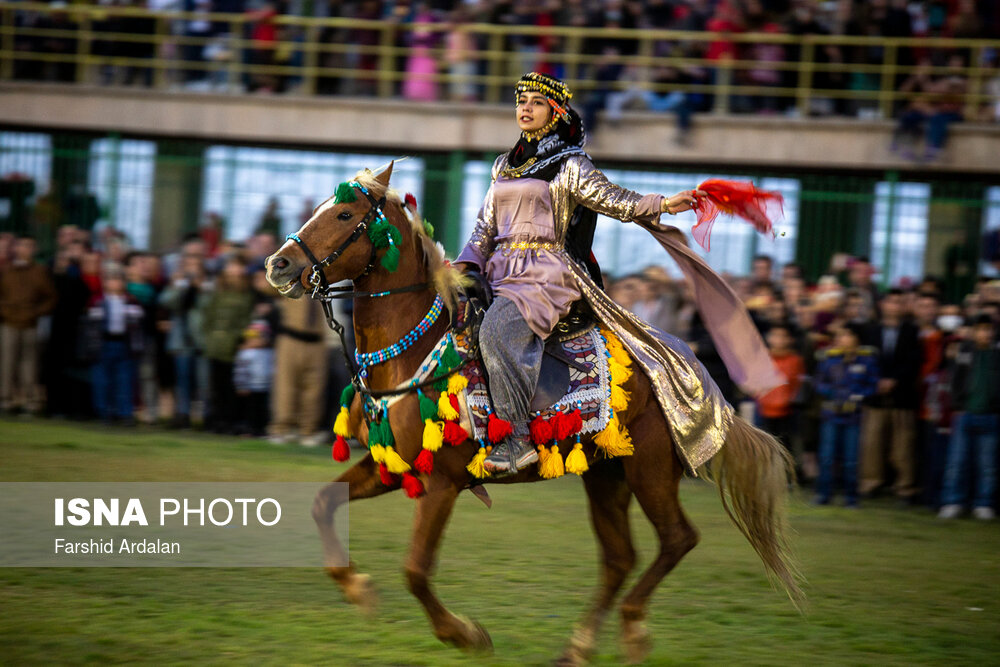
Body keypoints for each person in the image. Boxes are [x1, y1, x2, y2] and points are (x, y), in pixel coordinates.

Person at [454, 72, 782, 475]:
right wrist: (464, 266)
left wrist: (663, 203)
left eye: (537, 103)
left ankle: (517, 439)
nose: (525, 108)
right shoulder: (504, 164)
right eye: (521, 101)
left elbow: (613, 199)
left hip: (546, 275)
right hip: (500, 269)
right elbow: (485, 227)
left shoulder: (570, 165)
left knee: (497, 331)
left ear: (555, 114)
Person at [859, 289, 923, 503]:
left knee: (903, 446)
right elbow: (865, 358)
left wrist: (894, 380)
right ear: (883, 305)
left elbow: (914, 361)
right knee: (872, 444)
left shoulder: (912, 332)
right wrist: (875, 380)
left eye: (899, 302)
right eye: (891, 302)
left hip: (902, 397)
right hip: (875, 396)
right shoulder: (871, 330)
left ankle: (904, 489)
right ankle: (870, 484)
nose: (894, 306)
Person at [938, 314, 1000, 520]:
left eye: (988, 329)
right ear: (973, 331)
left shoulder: (996, 354)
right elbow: (955, 379)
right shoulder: (965, 351)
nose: (985, 333)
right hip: (965, 413)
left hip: (991, 415)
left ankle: (983, 504)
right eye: (981, 329)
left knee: (987, 464)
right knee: (957, 461)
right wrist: (957, 405)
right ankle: (953, 501)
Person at [814, 323, 880, 507]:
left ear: (856, 338)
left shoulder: (867, 361)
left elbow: (873, 386)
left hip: (854, 417)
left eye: (845, 335)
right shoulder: (829, 359)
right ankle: (823, 495)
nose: (840, 339)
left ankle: (851, 498)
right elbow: (818, 383)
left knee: (851, 459)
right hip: (831, 415)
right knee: (827, 457)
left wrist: (858, 396)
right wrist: (833, 394)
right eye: (839, 335)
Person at [0, 237, 57, 415]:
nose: (26, 249)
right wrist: (6, 311)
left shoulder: (39, 272)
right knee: (7, 363)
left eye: (30, 246)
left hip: (31, 324)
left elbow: (50, 297)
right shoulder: (7, 271)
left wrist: (36, 312)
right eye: (23, 245)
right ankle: (6, 400)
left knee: (30, 365)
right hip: (9, 323)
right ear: (16, 248)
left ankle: (31, 402)